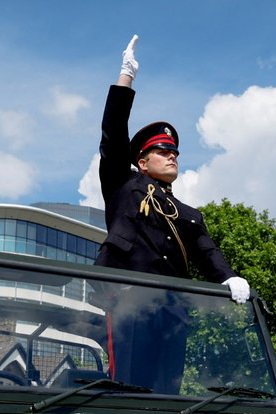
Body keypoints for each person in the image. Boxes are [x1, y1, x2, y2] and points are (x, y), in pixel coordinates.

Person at [95, 35, 251, 391]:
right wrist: (126, 77)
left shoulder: (187, 213)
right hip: (128, 306)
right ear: (141, 161)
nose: (172, 155)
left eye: (175, 152)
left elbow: (207, 251)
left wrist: (229, 277)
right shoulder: (125, 184)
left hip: (171, 314)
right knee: (127, 389)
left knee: (168, 393)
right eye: (163, 150)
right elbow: (113, 133)